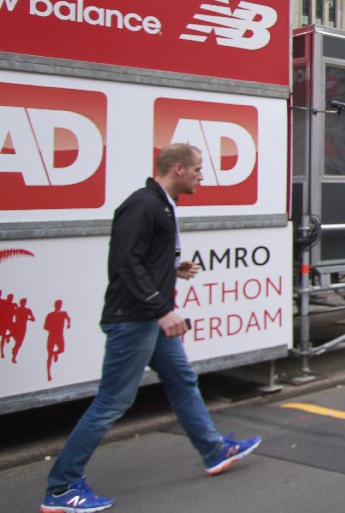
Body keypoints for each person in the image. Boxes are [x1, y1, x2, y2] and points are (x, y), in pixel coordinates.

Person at [41, 144, 260, 513]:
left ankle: (214, 450)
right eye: (197, 170)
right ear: (178, 168)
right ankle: (62, 487)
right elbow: (125, 262)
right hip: (135, 320)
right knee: (113, 401)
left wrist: (172, 270)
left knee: (182, 380)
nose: (201, 176)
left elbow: (142, 260)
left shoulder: (161, 204)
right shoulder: (143, 204)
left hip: (148, 319)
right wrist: (161, 309)